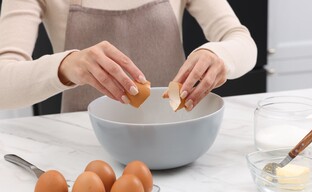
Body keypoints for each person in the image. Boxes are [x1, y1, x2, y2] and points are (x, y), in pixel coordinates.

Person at [0, 0, 257, 112]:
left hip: (172, 135)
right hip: (83, 148)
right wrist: (67, 65)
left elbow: (242, 41)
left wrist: (218, 54)